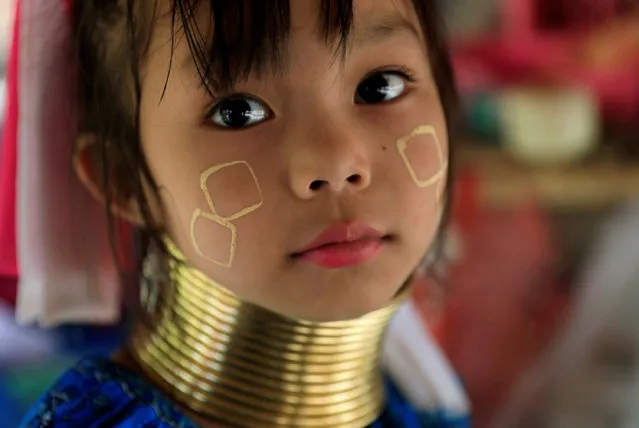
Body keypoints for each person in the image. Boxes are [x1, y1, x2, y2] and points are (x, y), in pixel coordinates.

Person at [15, 0, 467, 426]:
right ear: (127, 180)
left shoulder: (423, 400)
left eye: (380, 86)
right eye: (238, 113)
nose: (337, 162)